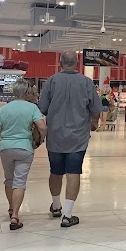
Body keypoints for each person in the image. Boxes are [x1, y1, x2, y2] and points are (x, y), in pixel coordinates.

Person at [39, 51, 102, 228]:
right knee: (74, 171)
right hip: (78, 137)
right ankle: (67, 215)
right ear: (77, 62)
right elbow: (96, 109)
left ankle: (56, 206)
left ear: (60, 63)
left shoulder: (51, 81)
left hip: (55, 136)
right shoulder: (86, 82)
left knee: (55, 171)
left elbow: (42, 108)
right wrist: (93, 122)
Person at [0, 81, 47, 231]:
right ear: (26, 93)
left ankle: (11, 208)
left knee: (9, 179)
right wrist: (39, 140)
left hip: (6, 148)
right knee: (19, 182)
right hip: (25, 148)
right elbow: (42, 127)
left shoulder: (4, 109)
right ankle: (15, 216)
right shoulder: (32, 108)